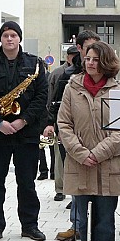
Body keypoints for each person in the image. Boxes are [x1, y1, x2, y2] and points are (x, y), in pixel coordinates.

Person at [57, 41, 120, 241]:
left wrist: (97, 153)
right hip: (80, 164)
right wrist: (81, 152)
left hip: (108, 165)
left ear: (106, 62)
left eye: (96, 59)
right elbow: (64, 123)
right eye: (87, 58)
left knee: (105, 223)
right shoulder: (72, 88)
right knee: (84, 223)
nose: (90, 63)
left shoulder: (119, 90)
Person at [0, 21, 48, 241]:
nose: (9, 39)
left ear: (19, 38)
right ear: (0, 38)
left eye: (13, 35)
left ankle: (30, 225)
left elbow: (41, 97)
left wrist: (23, 121)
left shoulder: (35, 64)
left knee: (27, 182)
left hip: (26, 133)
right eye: (5, 35)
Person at [50, 31, 101, 240]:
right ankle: (77, 224)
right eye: (89, 49)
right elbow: (57, 105)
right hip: (74, 136)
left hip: (98, 138)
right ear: (79, 49)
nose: (93, 55)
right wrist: (52, 125)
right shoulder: (67, 75)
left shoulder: (105, 74)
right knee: (75, 180)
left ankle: (95, 226)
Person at [45, 44, 81, 205]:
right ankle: (60, 189)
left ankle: (75, 194)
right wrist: (50, 121)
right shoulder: (59, 73)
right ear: (68, 57)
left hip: (79, 123)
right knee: (60, 158)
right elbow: (51, 98)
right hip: (61, 121)